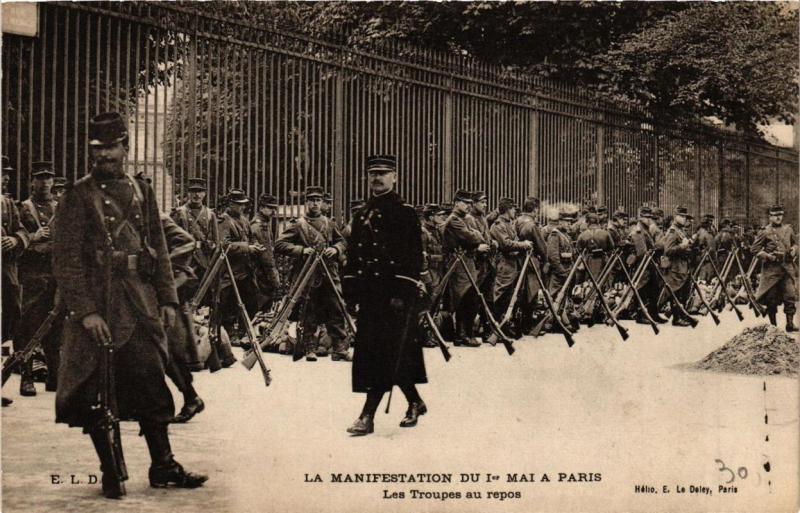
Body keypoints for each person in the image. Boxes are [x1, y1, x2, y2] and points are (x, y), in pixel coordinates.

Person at [52, 112, 206, 499]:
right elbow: (66, 260)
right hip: (99, 308)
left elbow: (162, 250)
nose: (104, 155)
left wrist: (168, 298)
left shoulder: (142, 191)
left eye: (111, 147)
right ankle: (109, 470)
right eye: (97, 149)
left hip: (138, 305)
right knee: (94, 392)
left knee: (152, 384)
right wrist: (86, 312)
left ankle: (164, 465)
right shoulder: (77, 194)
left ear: (125, 147)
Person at [342, 155, 427, 435]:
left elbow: (413, 256)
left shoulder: (404, 212)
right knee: (380, 353)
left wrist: (402, 292)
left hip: (394, 295)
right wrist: (351, 291)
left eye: (383, 173)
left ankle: (367, 416)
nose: (377, 178)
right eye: (372, 173)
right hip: (370, 295)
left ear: (395, 177)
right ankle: (414, 401)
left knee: (387, 352)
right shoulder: (361, 213)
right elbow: (353, 255)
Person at [275, 186, 350, 361]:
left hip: (329, 273)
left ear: (322, 202)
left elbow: (342, 241)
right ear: (306, 202)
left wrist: (335, 249)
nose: (314, 203)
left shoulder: (329, 223)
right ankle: (309, 347)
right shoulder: (297, 224)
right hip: (307, 273)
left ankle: (339, 347)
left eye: (318, 200)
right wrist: (301, 250)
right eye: (311, 200)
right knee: (308, 309)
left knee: (336, 307)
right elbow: (279, 244)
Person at [17, 161, 62, 395]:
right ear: (32, 181)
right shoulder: (23, 208)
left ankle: (54, 375)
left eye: (48, 178)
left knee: (55, 327)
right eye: (40, 178)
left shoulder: (58, 207)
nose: (44, 182)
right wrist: (33, 238)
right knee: (29, 327)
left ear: (53, 181)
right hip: (33, 276)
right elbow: (15, 237)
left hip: (55, 275)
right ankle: (26, 378)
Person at [443, 189, 490, 346]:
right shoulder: (454, 220)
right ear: (457, 203)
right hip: (458, 264)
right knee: (464, 298)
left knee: (470, 298)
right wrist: (475, 235)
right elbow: (471, 237)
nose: (469, 206)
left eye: (470, 203)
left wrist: (475, 234)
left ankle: (465, 334)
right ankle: (462, 335)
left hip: (466, 263)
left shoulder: (463, 219)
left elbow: (477, 235)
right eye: (466, 203)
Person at [2, 156, 30, 407]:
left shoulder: (9, 204)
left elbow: (22, 231)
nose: (6, 177)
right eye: (2, 173)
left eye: (7, 173)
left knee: (7, 328)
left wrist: (16, 240)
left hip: (7, 277)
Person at [490, 198, 533, 335]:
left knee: (511, 296)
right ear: (507, 210)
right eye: (513, 209)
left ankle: (506, 325)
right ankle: (494, 326)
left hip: (513, 263)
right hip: (504, 264)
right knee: (500, 295)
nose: (515, 211)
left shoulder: (509, 224)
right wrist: (523, 245)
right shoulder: (498, 225)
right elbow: (506, 244)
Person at [751, 205, 797, 331]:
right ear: (770, 217)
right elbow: (754, 249)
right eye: (775, 215)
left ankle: (790, 324)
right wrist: (767, 256)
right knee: (771, 298)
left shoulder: (788, 229)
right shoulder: (765, 231)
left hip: (787, 268)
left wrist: (794, 250)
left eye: (780, 215)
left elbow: (795, 243)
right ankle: (773, 326)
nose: (778, 217)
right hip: (771, 270)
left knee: (790, 295)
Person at [513, 197, 549, 335]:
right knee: (531, 294)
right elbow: (541, 246)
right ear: (535, 209)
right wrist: (545, 260)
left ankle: (518, 324)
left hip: (517, 261)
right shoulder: (532, 225)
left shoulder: (516, 221)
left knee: (519, 292)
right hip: (531, 261)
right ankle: (527, 325)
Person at [658, 206, 695, 326]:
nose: (684, 219)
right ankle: (676, 318)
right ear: (676, 216)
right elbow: (668, 250)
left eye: (685, 217)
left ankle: (680, 316)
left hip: (682, 266)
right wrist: (683, 247)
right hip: (675, 267)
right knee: (676, 293)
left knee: (682, 293)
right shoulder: (673, 231)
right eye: (682, 216)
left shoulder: (680, 231)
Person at [250, 193, 282, 314]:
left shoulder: (263, 223)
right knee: (262, 305)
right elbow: (266, 256)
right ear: (261, 207)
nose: (274, 212)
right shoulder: (260, 226)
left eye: (275, 208)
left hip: (259, 270)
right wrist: (274, 275)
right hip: (262, 271)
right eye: (270, 208)